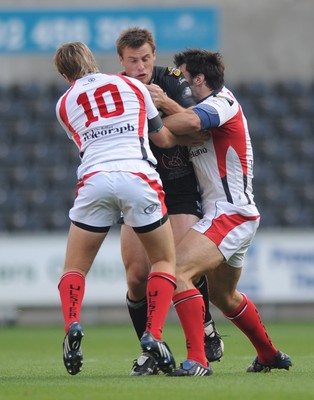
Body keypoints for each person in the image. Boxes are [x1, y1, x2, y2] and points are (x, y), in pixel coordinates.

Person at [53, 41, 200, 376]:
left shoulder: (63, 104)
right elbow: (162, 139)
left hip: (95, 180)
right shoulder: (132, 85)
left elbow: (84, 142)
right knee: (164, 260)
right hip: (139, 177)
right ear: (94, 61)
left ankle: (72, 324)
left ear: (64, 74)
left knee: (74, 267)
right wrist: (189, 138)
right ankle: (155, 334)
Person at [162, 49, 293, 376]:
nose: (179, 84)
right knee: (223, 294)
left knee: (176, 272)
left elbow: (190, 122)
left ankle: (198, 361)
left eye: (184, 78)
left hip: (229, 214)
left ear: (200, 79)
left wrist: (158, 107)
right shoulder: (206, 106)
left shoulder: (223, 102)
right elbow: (187, 124)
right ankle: (269, 354)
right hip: (232, 215)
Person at [115, 27, 223, 375]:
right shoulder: (114, 90)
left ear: (154, 55)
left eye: (146, 58)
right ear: (122, 61)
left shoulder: (174, 81)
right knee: (136, 276)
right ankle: (150, 350)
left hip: (177, 187)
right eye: (133, 60)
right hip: (138, 189)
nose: (141, 66)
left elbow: (199, 132)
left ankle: (205, 328)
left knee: (184, 265)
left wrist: (160, 106)